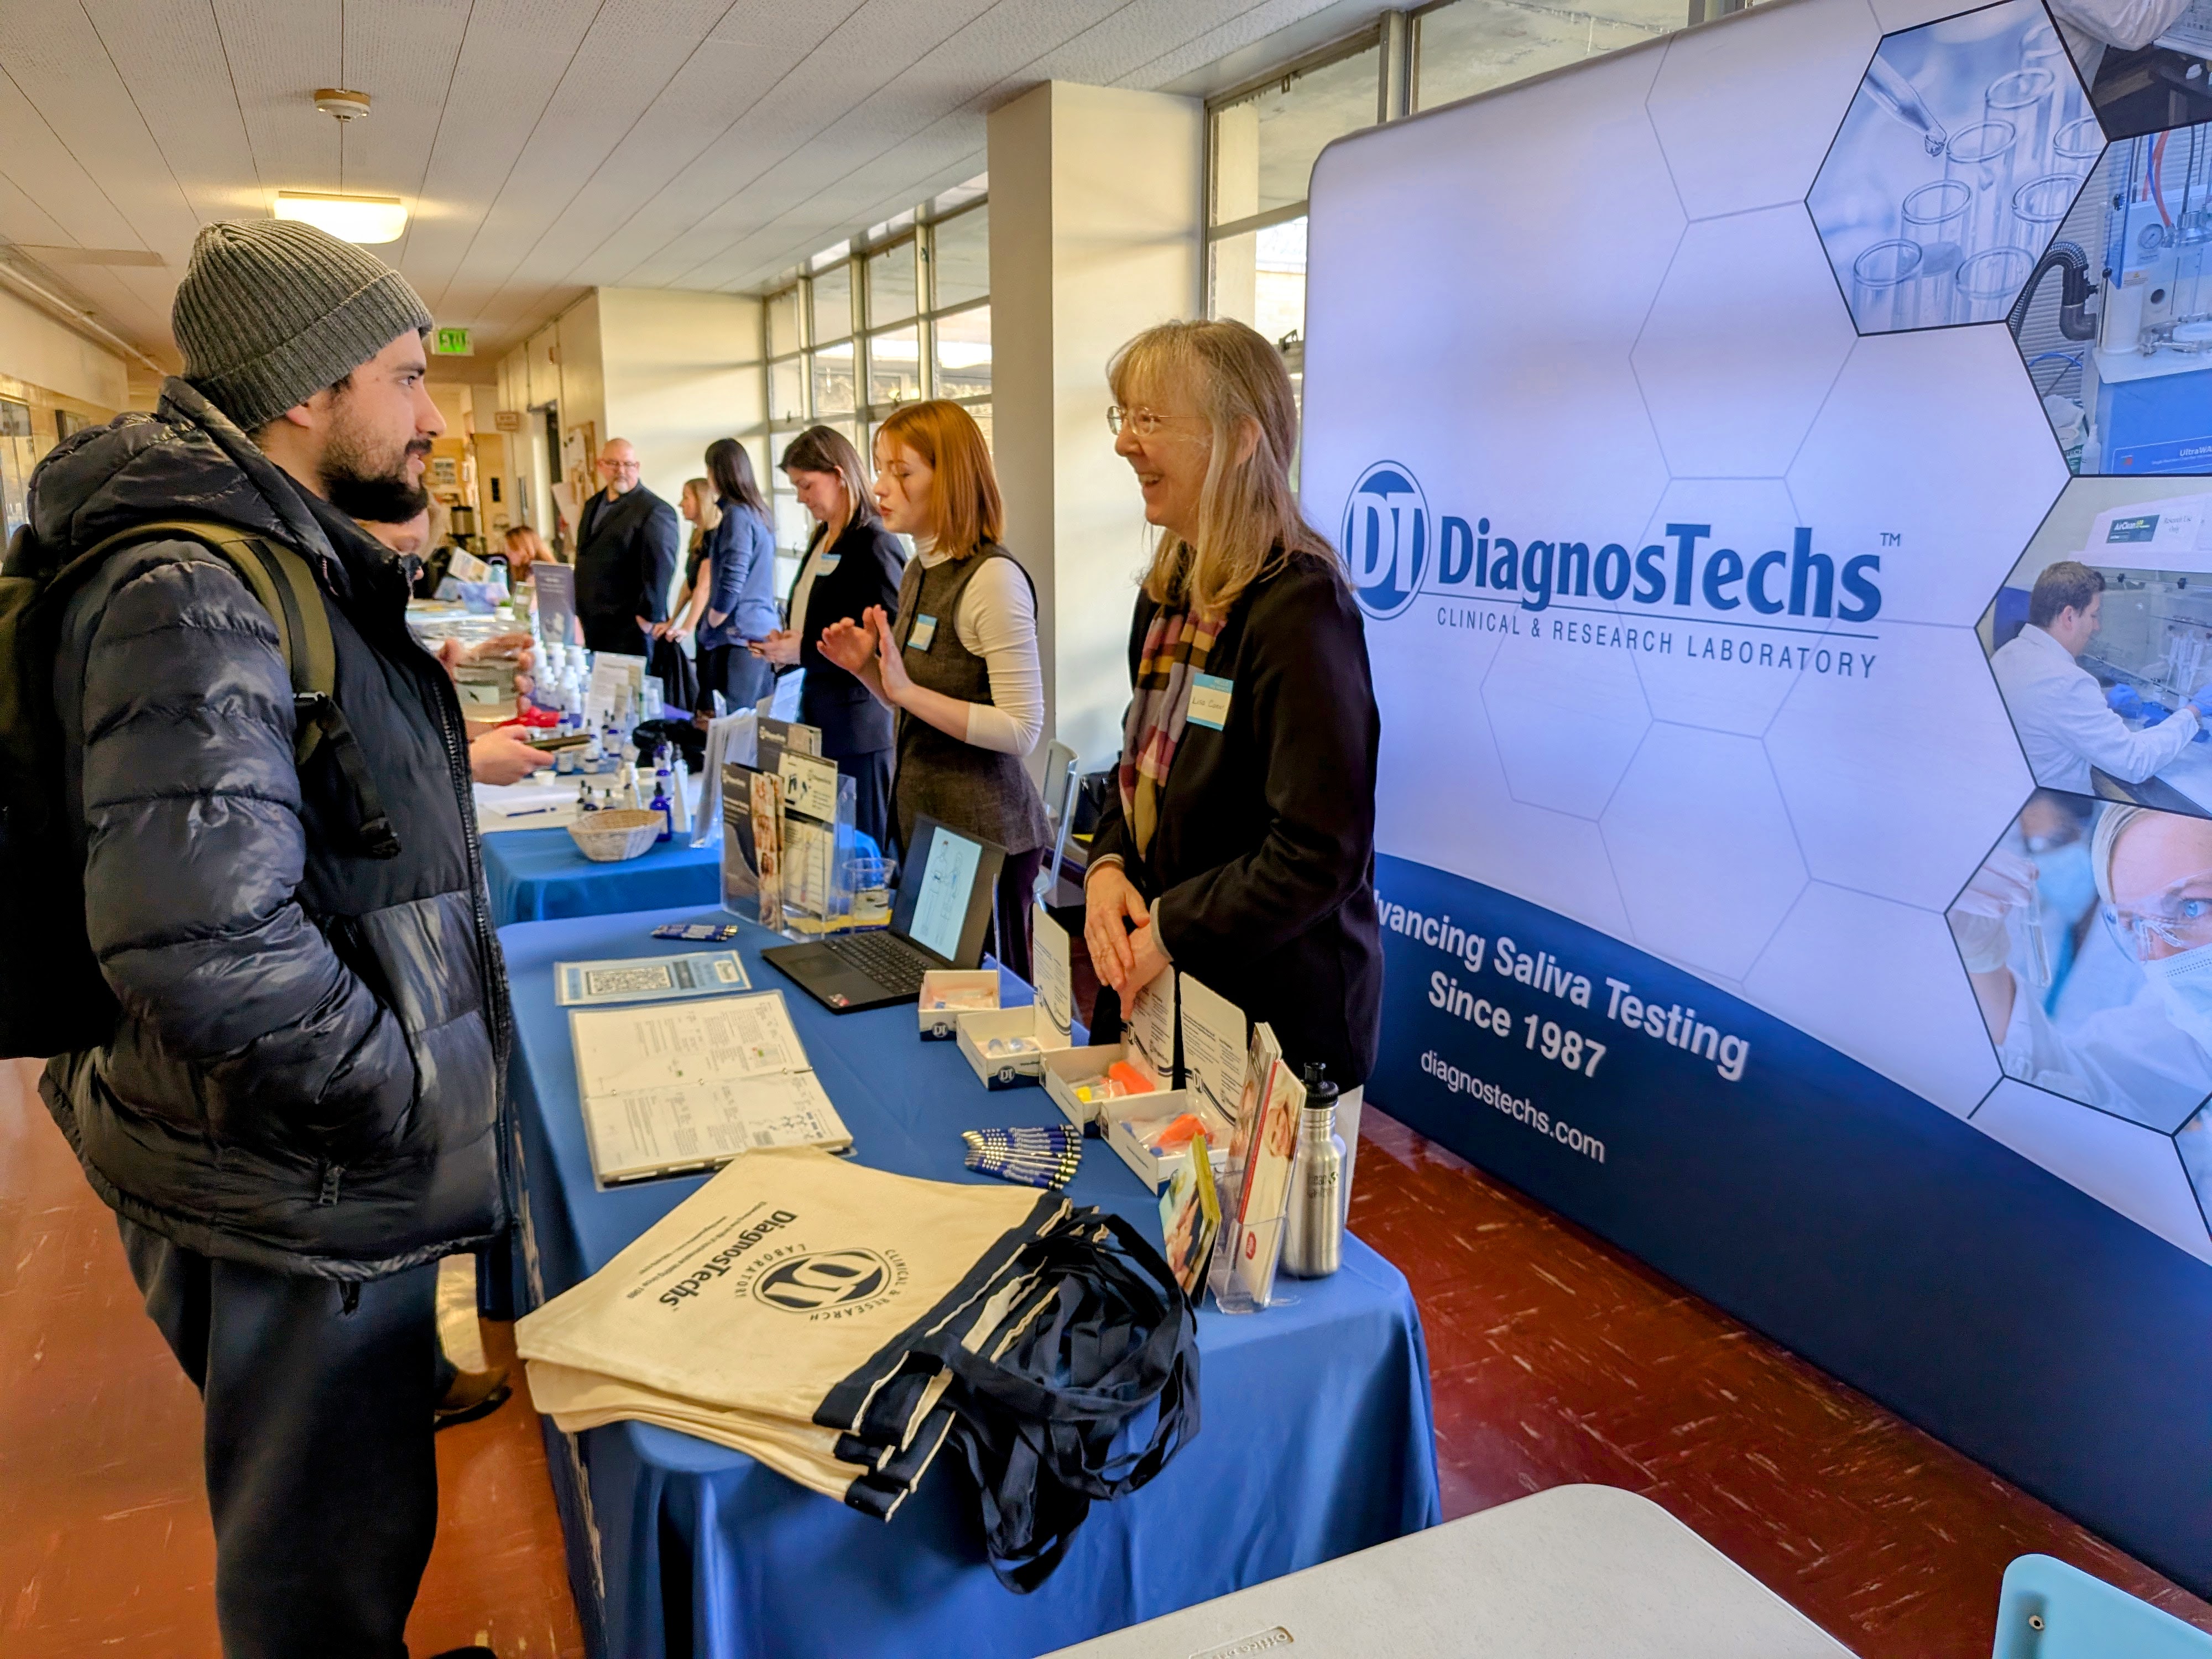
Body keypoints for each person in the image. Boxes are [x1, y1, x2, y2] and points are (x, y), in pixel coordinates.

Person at [29, 220, 504, 1659]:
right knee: (316, 1578)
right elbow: (203, 946)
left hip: (288, 1166)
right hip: (299, 1174)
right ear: (306, 390)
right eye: (408, 376)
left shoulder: (251, 559)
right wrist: (403, 1096)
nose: (432, 415)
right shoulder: (194, 587)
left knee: (350, 1541)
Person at [1084, 318, 1383, 1207]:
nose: (1122, 441)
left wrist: (1168, 928)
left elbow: (1319, 850)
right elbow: (1139, 766)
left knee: (1249, 1313)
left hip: (1279, 1025)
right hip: (1173, 1005)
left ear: (1242, 437)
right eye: (1122, 414)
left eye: (1149, 418)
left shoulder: (1300, 606)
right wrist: (1104, 865)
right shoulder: (1169, 594)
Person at [820, 401, 1050, 977]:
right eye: (879, 469)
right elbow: (911, 703)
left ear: (950, 477)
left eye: (902, 472)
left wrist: (901, 689)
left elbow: (1022, 729)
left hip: (987, 836)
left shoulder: (992, 579)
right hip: (934, 829)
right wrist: (865, 670)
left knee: (1000, 1008)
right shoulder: (920, 567)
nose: (880, 487)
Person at [1955, 802, 2212, 1140]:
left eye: (2192, 907)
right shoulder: (2185, 1028)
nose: (2161, 958)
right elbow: (2072, 1089)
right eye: (2135, 925)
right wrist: (1982, 958)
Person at [754, 425, 905, 850]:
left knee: (864, 848)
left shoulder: (873, 541)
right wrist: (790, 640)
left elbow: (891, 635)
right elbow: (819, 615)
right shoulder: (824, 536)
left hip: (859, 724)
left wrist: (801, 649)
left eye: (806, 485)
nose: (801, 497)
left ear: (839, 475)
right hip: (816, 713)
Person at [1990, 560, 2212, 797]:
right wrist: (2193, 711)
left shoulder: (2007, 654)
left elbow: (2047, 710)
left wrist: (2103, 703)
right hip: (2060, 816)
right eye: (2094, 615)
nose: (2097, 627)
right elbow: (2135, 762)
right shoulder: (2066, 681)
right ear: (2069, 616)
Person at [690, 439, 779, 714]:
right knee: (754, 720)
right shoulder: (757, 510)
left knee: (734, 724)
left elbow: (733, 577)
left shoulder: (737, 515)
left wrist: (712, 620)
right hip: (759, 627)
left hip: (739, 633)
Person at [572, 435, 679, 655]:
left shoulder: (654, 510)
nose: (621, 470)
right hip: (593, 623)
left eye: (628, 464)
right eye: (613, 463)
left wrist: (647, 618)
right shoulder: (593, 504)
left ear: (637, 467)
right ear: (600, 466)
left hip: (630, 625)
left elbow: (660, 570)